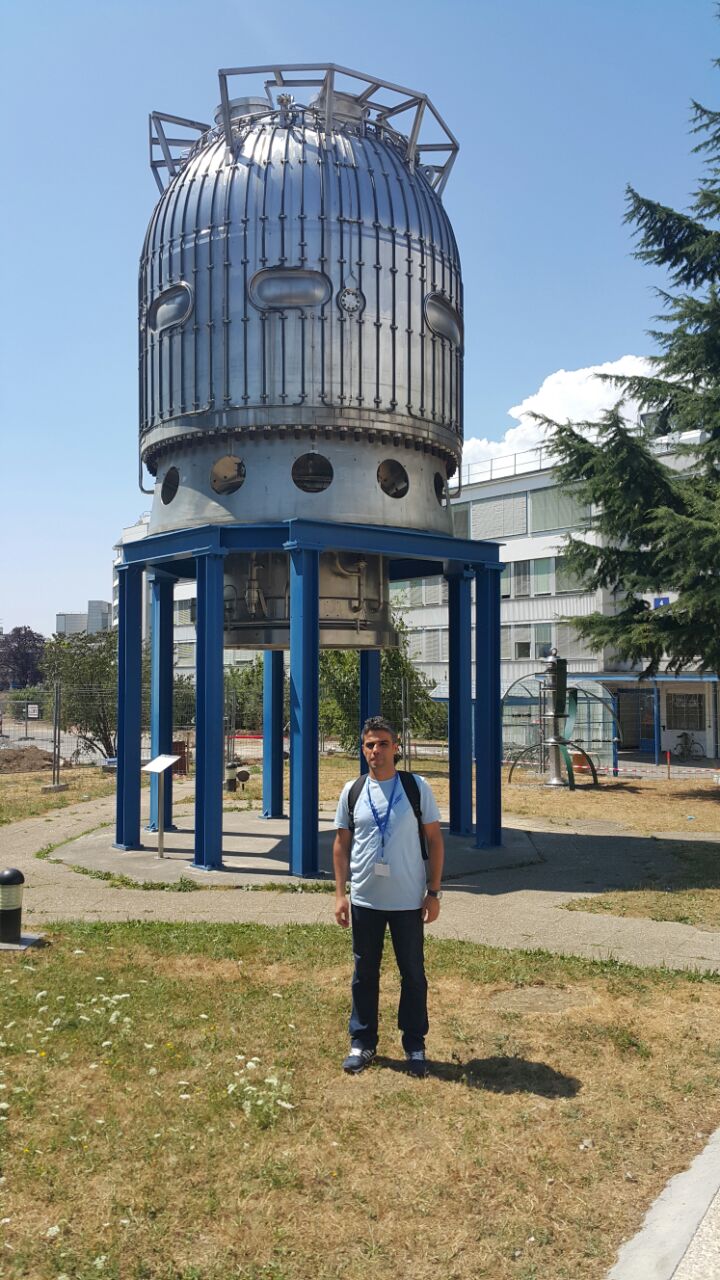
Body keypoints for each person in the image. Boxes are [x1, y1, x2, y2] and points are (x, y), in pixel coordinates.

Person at [332, 715, 445, 1077]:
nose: (376, 751)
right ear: (362, 749)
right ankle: (362, 1042)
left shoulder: (416, 787)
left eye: (383, 743)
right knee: (364, 973)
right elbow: (341, 845)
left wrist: (433, 892)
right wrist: (340, 894)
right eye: (370, 745)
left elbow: (434, 840)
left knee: (413, 974)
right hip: (365, 900)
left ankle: (414, 1044)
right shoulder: (353, 791)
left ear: (396, 747)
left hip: (408, 901)